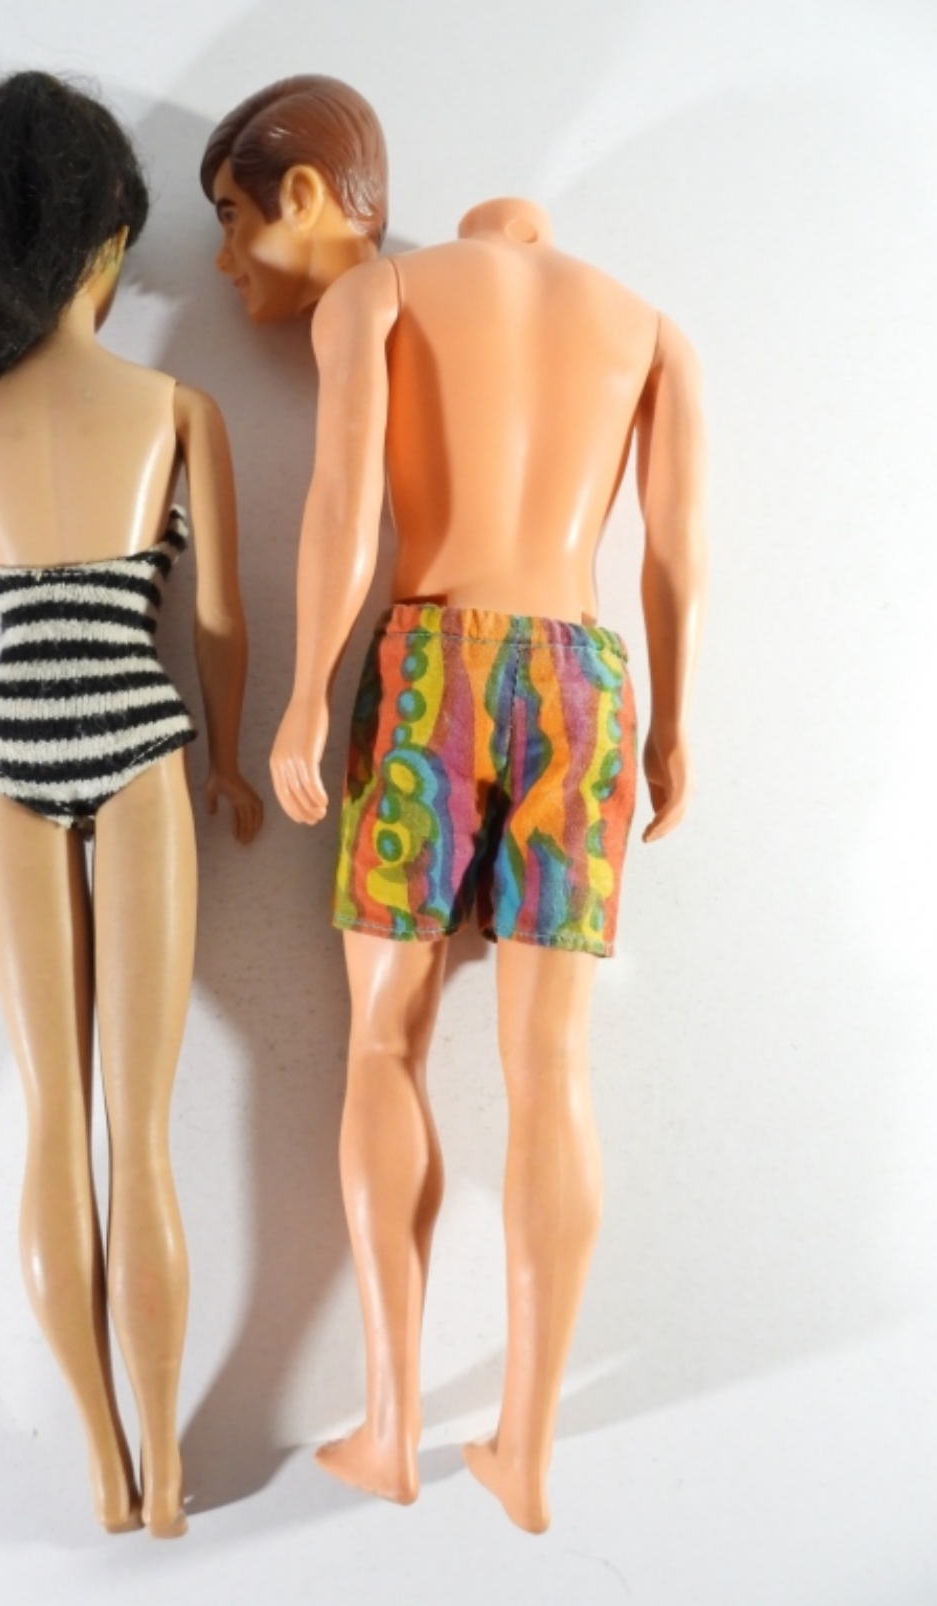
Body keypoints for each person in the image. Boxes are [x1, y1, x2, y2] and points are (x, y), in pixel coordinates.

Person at [202, 76, 705, 1532]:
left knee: (381, 1040)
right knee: (553, 1067)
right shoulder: (647, 326)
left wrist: (306, 694)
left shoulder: (381, 295)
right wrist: (674, 724)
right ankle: (524, 1448)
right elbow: (672, 552)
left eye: (233, 221)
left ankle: (389, 1425)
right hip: (586, 684)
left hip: (432, 669)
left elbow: (343, 506)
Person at [0, 70, 262, 1537]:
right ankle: (159, 1464)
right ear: (106, 229)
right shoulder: (176, 408)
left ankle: (106, 1462)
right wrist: (225, 757)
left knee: (58, 1120)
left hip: (9, 751)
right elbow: (218, 621)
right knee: (136, 1130)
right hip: (144, 740)